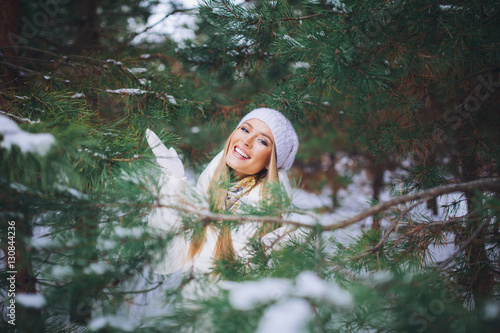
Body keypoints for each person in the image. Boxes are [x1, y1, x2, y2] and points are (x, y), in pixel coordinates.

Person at [146, 108, 299, 276]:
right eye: (245, 129)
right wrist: (171, 187)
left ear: (271, 161)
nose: (246, 140)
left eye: (262, 141)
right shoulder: (210, 188)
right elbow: (165, 263)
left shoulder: (271, 217)